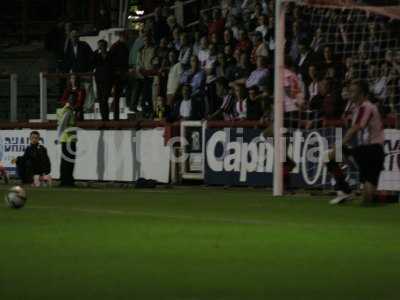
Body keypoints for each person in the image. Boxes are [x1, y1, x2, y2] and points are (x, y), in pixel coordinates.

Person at [327, 80, 385, 205]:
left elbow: (355, 128)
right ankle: (347, 191)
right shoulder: (361, 107)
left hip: (369, 151)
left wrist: (339, 146)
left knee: (329, 156)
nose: (350, 94)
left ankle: (346, 191)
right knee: (367, 198)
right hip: (373, 151)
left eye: (353, 91)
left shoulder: (366, 107)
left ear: (362, 93)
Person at [56, 97, 78, 187]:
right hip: (69, 139)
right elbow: (63, 125)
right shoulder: (68, 112)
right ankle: (68, 181)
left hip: (65, 139)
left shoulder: (63, 111)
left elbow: (61, 125)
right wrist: (58, 137)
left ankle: (65, 180)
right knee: (69, 162)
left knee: (65, 161)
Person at [93, 39, 112, 121]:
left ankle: (106, 117)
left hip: (108, 80)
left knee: (104, 99)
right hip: (99, 80)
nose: (101, 47)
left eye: (102, 45)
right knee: (101, 100)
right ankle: (104, 118)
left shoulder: (110, 55)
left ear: (105, 46)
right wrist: (96, 51)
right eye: (100, 46)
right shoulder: (97, 56)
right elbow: (92, 62)